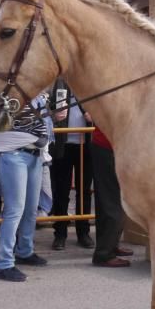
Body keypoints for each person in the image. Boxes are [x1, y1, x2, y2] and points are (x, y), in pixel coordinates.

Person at [0, 92, 53, 282]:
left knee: (30, 209)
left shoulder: (38, 95)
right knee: (14, 210)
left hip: (34, 154)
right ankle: (4, 263)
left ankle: (25, 251)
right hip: (13, 154)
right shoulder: (7, 94)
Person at [49, 78, 94, 250]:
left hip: (85, 144)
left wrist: (92, 117)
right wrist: (54, 115)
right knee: (61, 190)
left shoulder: (89, 84)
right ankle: (60, 233)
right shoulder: (58, 83)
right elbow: (45, 109)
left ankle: (83, 232)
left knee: (84, 191)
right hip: (63, 144)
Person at [89, 126, 133, 267]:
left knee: (110, 201)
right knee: (112, 202)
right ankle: (104, 253)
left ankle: (110, 245)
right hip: (108, 145)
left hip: (109, 145)